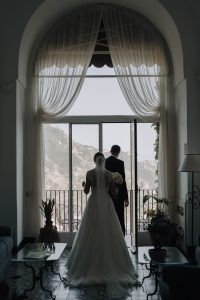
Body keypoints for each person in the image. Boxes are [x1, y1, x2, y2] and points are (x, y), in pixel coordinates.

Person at [65, 152, 138, 298]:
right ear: (103, 161)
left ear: (94, 161)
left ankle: (88, 265)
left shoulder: (89, 173)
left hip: (93, 204)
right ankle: (112, 265)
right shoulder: (109, 174)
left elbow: (86, 192)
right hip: (106, 203)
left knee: (90, 232)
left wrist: (85, 184)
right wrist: (115, 187)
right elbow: (115, 194)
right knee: (110, 232)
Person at [105, 145, 128, 236]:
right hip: (119, 195)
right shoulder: (120, 163)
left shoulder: (105, 162)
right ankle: (120, 237)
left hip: (107, 194)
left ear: (110, 151)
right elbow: (123, 181)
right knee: (119, 216)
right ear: (118, 152)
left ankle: (108, 236)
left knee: (108, 216)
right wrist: (126, 197)